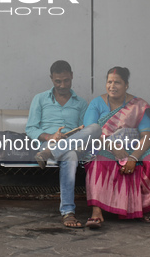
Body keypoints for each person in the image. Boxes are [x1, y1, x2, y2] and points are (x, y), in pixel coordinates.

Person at [83, 66, 150, 229]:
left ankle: (144, 207)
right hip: (105, 146)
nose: (112, 86)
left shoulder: (138, 105)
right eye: (109, 82)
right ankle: (96, 211)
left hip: (136, 148)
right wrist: (113, 148)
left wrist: (134, 157)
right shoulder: (97, 103)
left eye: (117, 82)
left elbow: (147, 136)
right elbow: (90, 132)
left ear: (126, 85)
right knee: (98, 162)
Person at [26, 60, 101, 228]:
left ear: (72, 77)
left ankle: (49, 154)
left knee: (95, 127)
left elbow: (84, 132)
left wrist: (73, 137)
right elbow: (31, 128)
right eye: (57, 81)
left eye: (66, 80)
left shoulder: (81, 103)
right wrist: (50, 137)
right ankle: (68, 212)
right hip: (49, 144)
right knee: (70, 154)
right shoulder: (40, 99)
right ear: (51, 78)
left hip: (68, 145)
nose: (62, 85)